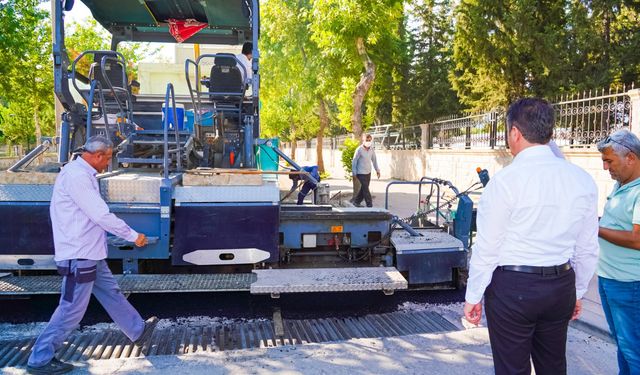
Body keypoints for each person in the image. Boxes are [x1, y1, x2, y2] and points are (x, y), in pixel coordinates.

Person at [463, 98, 599, 375]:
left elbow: (487, 247)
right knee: (553, 366)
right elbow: (587, 248)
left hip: (514, 287)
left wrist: (473, 296)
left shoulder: (504, 182)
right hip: (561, 284)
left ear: (515, 132)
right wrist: (578, 291)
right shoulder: (582, 179)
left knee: (513, 369)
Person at [27, 136, 158, 375]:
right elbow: (100, 215)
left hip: (90, 253)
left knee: (112, 293)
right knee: (70, 310)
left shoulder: (81, 172)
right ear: (98, 156)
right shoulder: (77, 177)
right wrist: (132, 235)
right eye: (108, 159)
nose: (108, 164)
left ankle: (138, 331)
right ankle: (40, 359)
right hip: (80, 255)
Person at [596, 129, 640, 375]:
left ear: (630, 158)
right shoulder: (622, 185)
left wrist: (596, 229)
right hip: (611, 279)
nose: (605, 167)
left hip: (629, 284)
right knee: (624, 346)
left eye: (609, 161)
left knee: (633, 349)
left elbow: (637, 239)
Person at [352, 133, 380, 208]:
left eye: (369, 140)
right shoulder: (359, 150)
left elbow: (374, 160)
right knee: (366, 189)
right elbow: (354, 161)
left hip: (368, 172)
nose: (368, 141)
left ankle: (356, 202)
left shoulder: (371, 149)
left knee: (364, 188)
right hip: (360, 173)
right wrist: (354, 173)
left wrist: (377, 170)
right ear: (363, 140)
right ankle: (370, 205)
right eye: (367, 140)